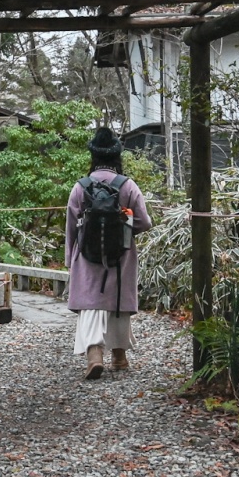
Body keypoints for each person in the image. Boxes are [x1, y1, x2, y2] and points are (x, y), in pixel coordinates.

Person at [65, 127, 152, 379]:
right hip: (120, 254)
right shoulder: (128, 186)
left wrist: (71, 258)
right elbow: (145, 222)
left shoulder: (80, 188)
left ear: (93, 156)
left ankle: (94, 354)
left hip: (87, 254)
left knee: (91, 303)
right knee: (117, 304)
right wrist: (125, 227)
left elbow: (71, 225)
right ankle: (119, 356)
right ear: (117, 157)